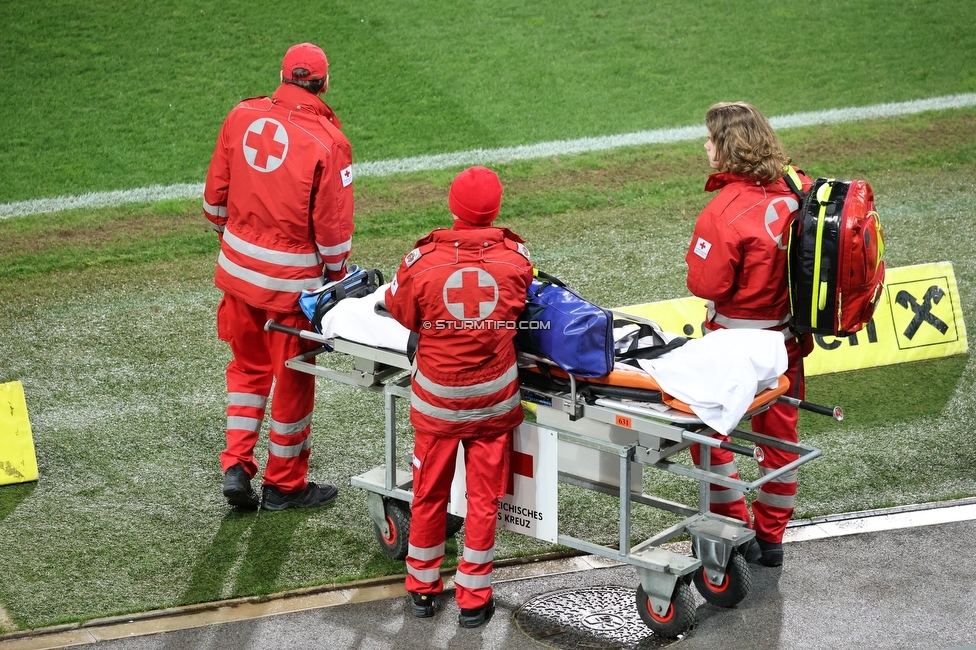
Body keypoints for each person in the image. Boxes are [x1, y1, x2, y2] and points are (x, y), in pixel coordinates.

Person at [203, 42, 354, 511]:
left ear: (284, 77)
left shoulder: (240, 115)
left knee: (247, 371)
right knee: (291, 380)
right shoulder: (330, 143)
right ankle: (284, 486)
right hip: (291, 293)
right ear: (323, 84)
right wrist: (336, 280)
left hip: (237, 278)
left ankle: (236, 466)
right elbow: (332, 236)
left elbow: (214, 205)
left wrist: (241, 243)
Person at [383, 166, 533, 628]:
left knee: (428, 495)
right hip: (492, 406)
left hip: (438, 406)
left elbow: (401, 310)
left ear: (454, 208)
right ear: (495, 209)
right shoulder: (516, 260)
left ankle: (422, 590)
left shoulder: (422, 262)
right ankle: (474, 598)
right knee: (485, 501)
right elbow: (522, 306)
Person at [684, 101, 813, 567]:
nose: (705, 146)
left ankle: (735, 524)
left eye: (710, 138)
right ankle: (772, 540)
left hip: (736, 347)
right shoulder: (800, 187)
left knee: (706, 432)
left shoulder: (725, 211)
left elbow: (705, 285)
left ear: (727, 147)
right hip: (788, 344)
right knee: (780, 442)